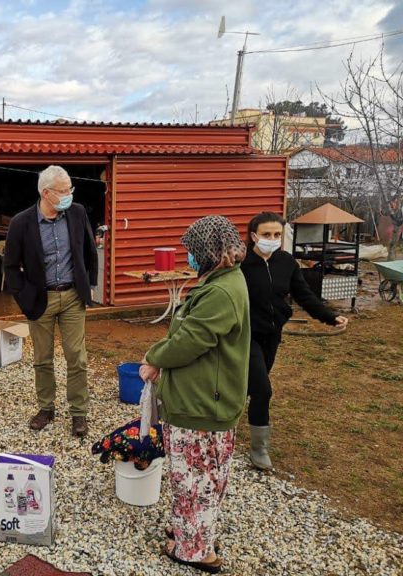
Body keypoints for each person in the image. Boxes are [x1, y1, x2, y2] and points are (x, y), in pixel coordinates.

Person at [140, 215, 249, 574]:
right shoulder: (221, 282)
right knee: (199, 477)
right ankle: (192, 529)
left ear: (208, 251)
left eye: (191, 251)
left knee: (196, 480)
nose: (188, 257)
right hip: (204, 397)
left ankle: (197, 551)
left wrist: (154, 358)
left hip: (203, 403)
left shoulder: (219, 291)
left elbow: (191, 341)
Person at [241, 212, 348, 470]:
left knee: (253, 385)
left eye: (277, 234)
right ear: (253, 236)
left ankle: (229, 409)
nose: (272, 239)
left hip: (273, 334)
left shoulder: (286, 262)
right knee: (263, 390)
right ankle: (259, 449)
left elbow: (304, 295)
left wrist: (330, 316)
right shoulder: (241, 263)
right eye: (266, 235)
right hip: (246, 335)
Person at [4, 165, 98, 438]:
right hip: (40, 299)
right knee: (42, 359)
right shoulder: (21, 223)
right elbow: (10, 266)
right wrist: (23, 296)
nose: (69, 194)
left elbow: (89, 251)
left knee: (76, 357)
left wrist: (88, 285)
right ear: (46, 193)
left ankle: (79, 412)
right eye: (64, 190)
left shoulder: (77, 213)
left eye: (70, 189)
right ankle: (46, 408)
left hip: (72, 297)